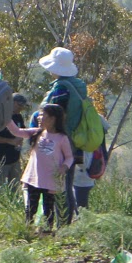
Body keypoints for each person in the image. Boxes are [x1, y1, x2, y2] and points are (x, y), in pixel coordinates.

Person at [36, 47, 90, 219]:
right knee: (67, 181)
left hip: (58, 140)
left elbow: (55, 114)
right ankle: (68, 222)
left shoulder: (61, 88)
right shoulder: (78, 86)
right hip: (73, 139)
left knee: (59, 184)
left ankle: (61, 223)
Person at [7, 103, 74, 228]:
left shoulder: (62, 138)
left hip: (51, 180)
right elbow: (17, 131)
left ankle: (47, 233)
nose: (39, 117)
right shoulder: (36, 133)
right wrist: (6, 119)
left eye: (43, 115)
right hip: (34, 178)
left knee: (48, 209)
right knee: (30, 208)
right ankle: (28, 231)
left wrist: (64, 167)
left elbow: (69, 157)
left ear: (53, 119)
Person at [0, 92, 29, 186]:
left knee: (15, 188)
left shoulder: (18, 116)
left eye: (23, 106)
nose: (21, 108)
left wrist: (21, 138)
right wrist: (10, 141)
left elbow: (22, 131)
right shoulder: (0, 116)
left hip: (15, 159)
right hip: (1, 161)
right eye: (19, 105)